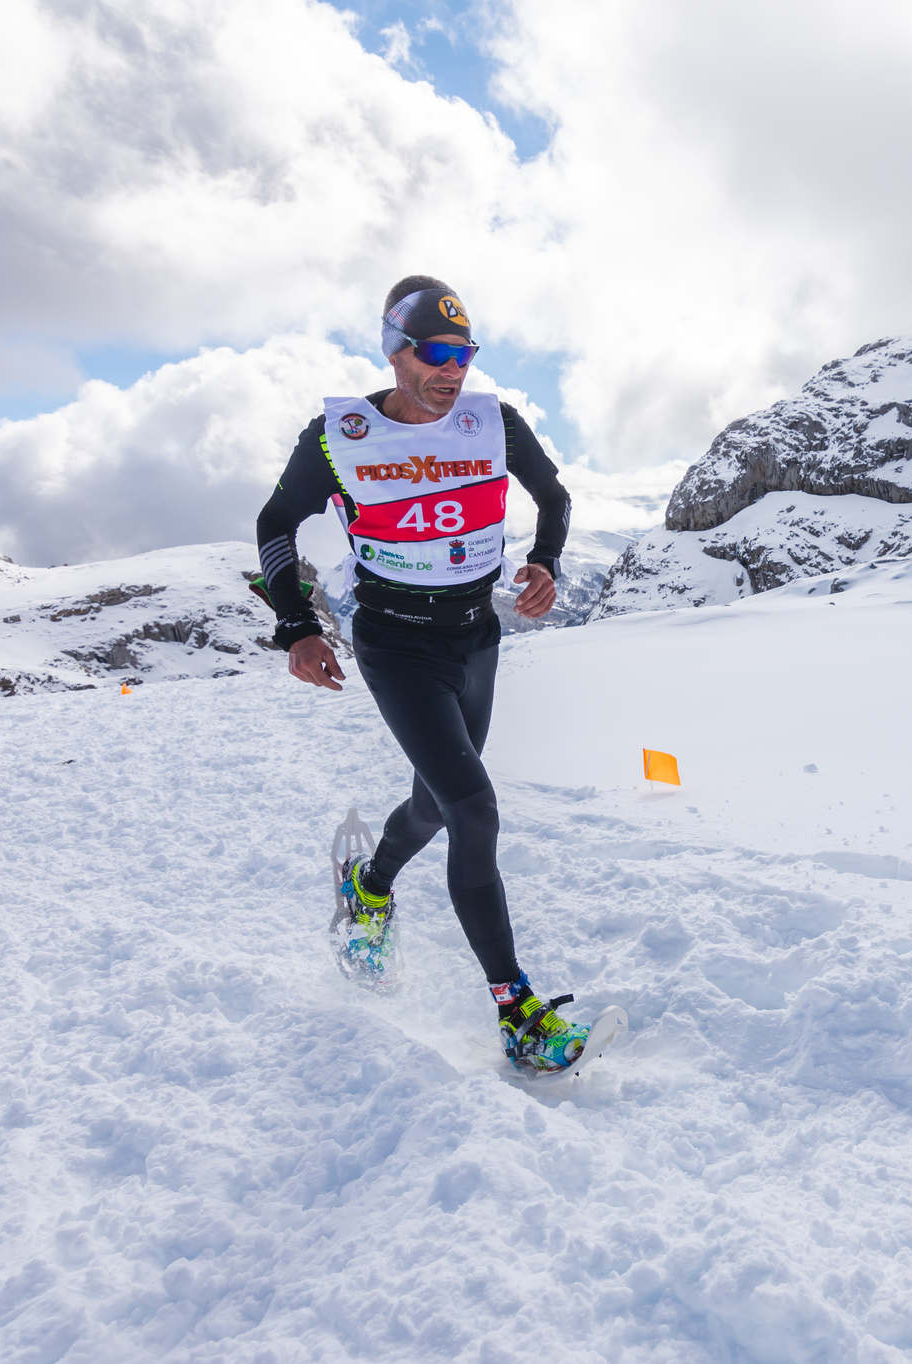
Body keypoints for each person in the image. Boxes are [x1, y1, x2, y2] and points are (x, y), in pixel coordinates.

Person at [254, 274, 586, 1071]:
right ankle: (517, 1009)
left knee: (436, 805)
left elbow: (554, 494)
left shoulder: (493, 424)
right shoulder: (340, 438)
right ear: (395, 353)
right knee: (473, 806)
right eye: (436, 354)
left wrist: (544, 562)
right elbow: (276, 522)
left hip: (475, 638)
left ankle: (368, 886)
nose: (453, 370)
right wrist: (295, 626)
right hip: (395, 646)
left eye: (463, 353)